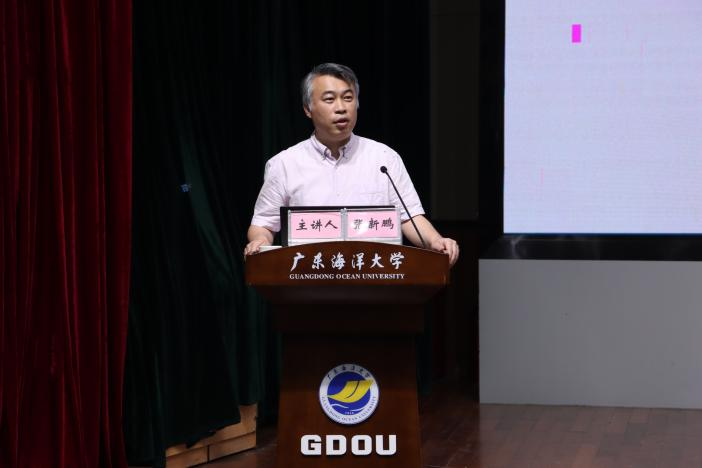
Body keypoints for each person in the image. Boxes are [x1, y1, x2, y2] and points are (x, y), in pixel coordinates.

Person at [244, 63, 459, 266]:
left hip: (374, 276)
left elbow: (409, 217)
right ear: (308, 109)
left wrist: (435, 240)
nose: (341, 108)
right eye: (329, 99)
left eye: (348, 98)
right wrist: (260, 241)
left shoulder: (384, 158)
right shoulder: (284, 164)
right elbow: (263, 223)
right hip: (309, 278)